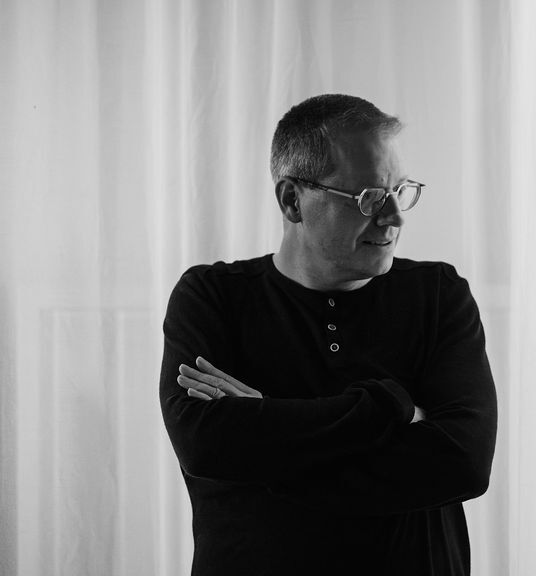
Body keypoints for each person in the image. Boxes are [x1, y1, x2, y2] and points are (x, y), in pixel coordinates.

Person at [159, 94, 497, 576]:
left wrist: (266, 440)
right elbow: (206, 445)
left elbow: (464, 462)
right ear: (292, 200)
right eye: (368, 197)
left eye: (400, 191)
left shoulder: (438, 294)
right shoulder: (212, 297)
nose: (394, 217)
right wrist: (390, 406)